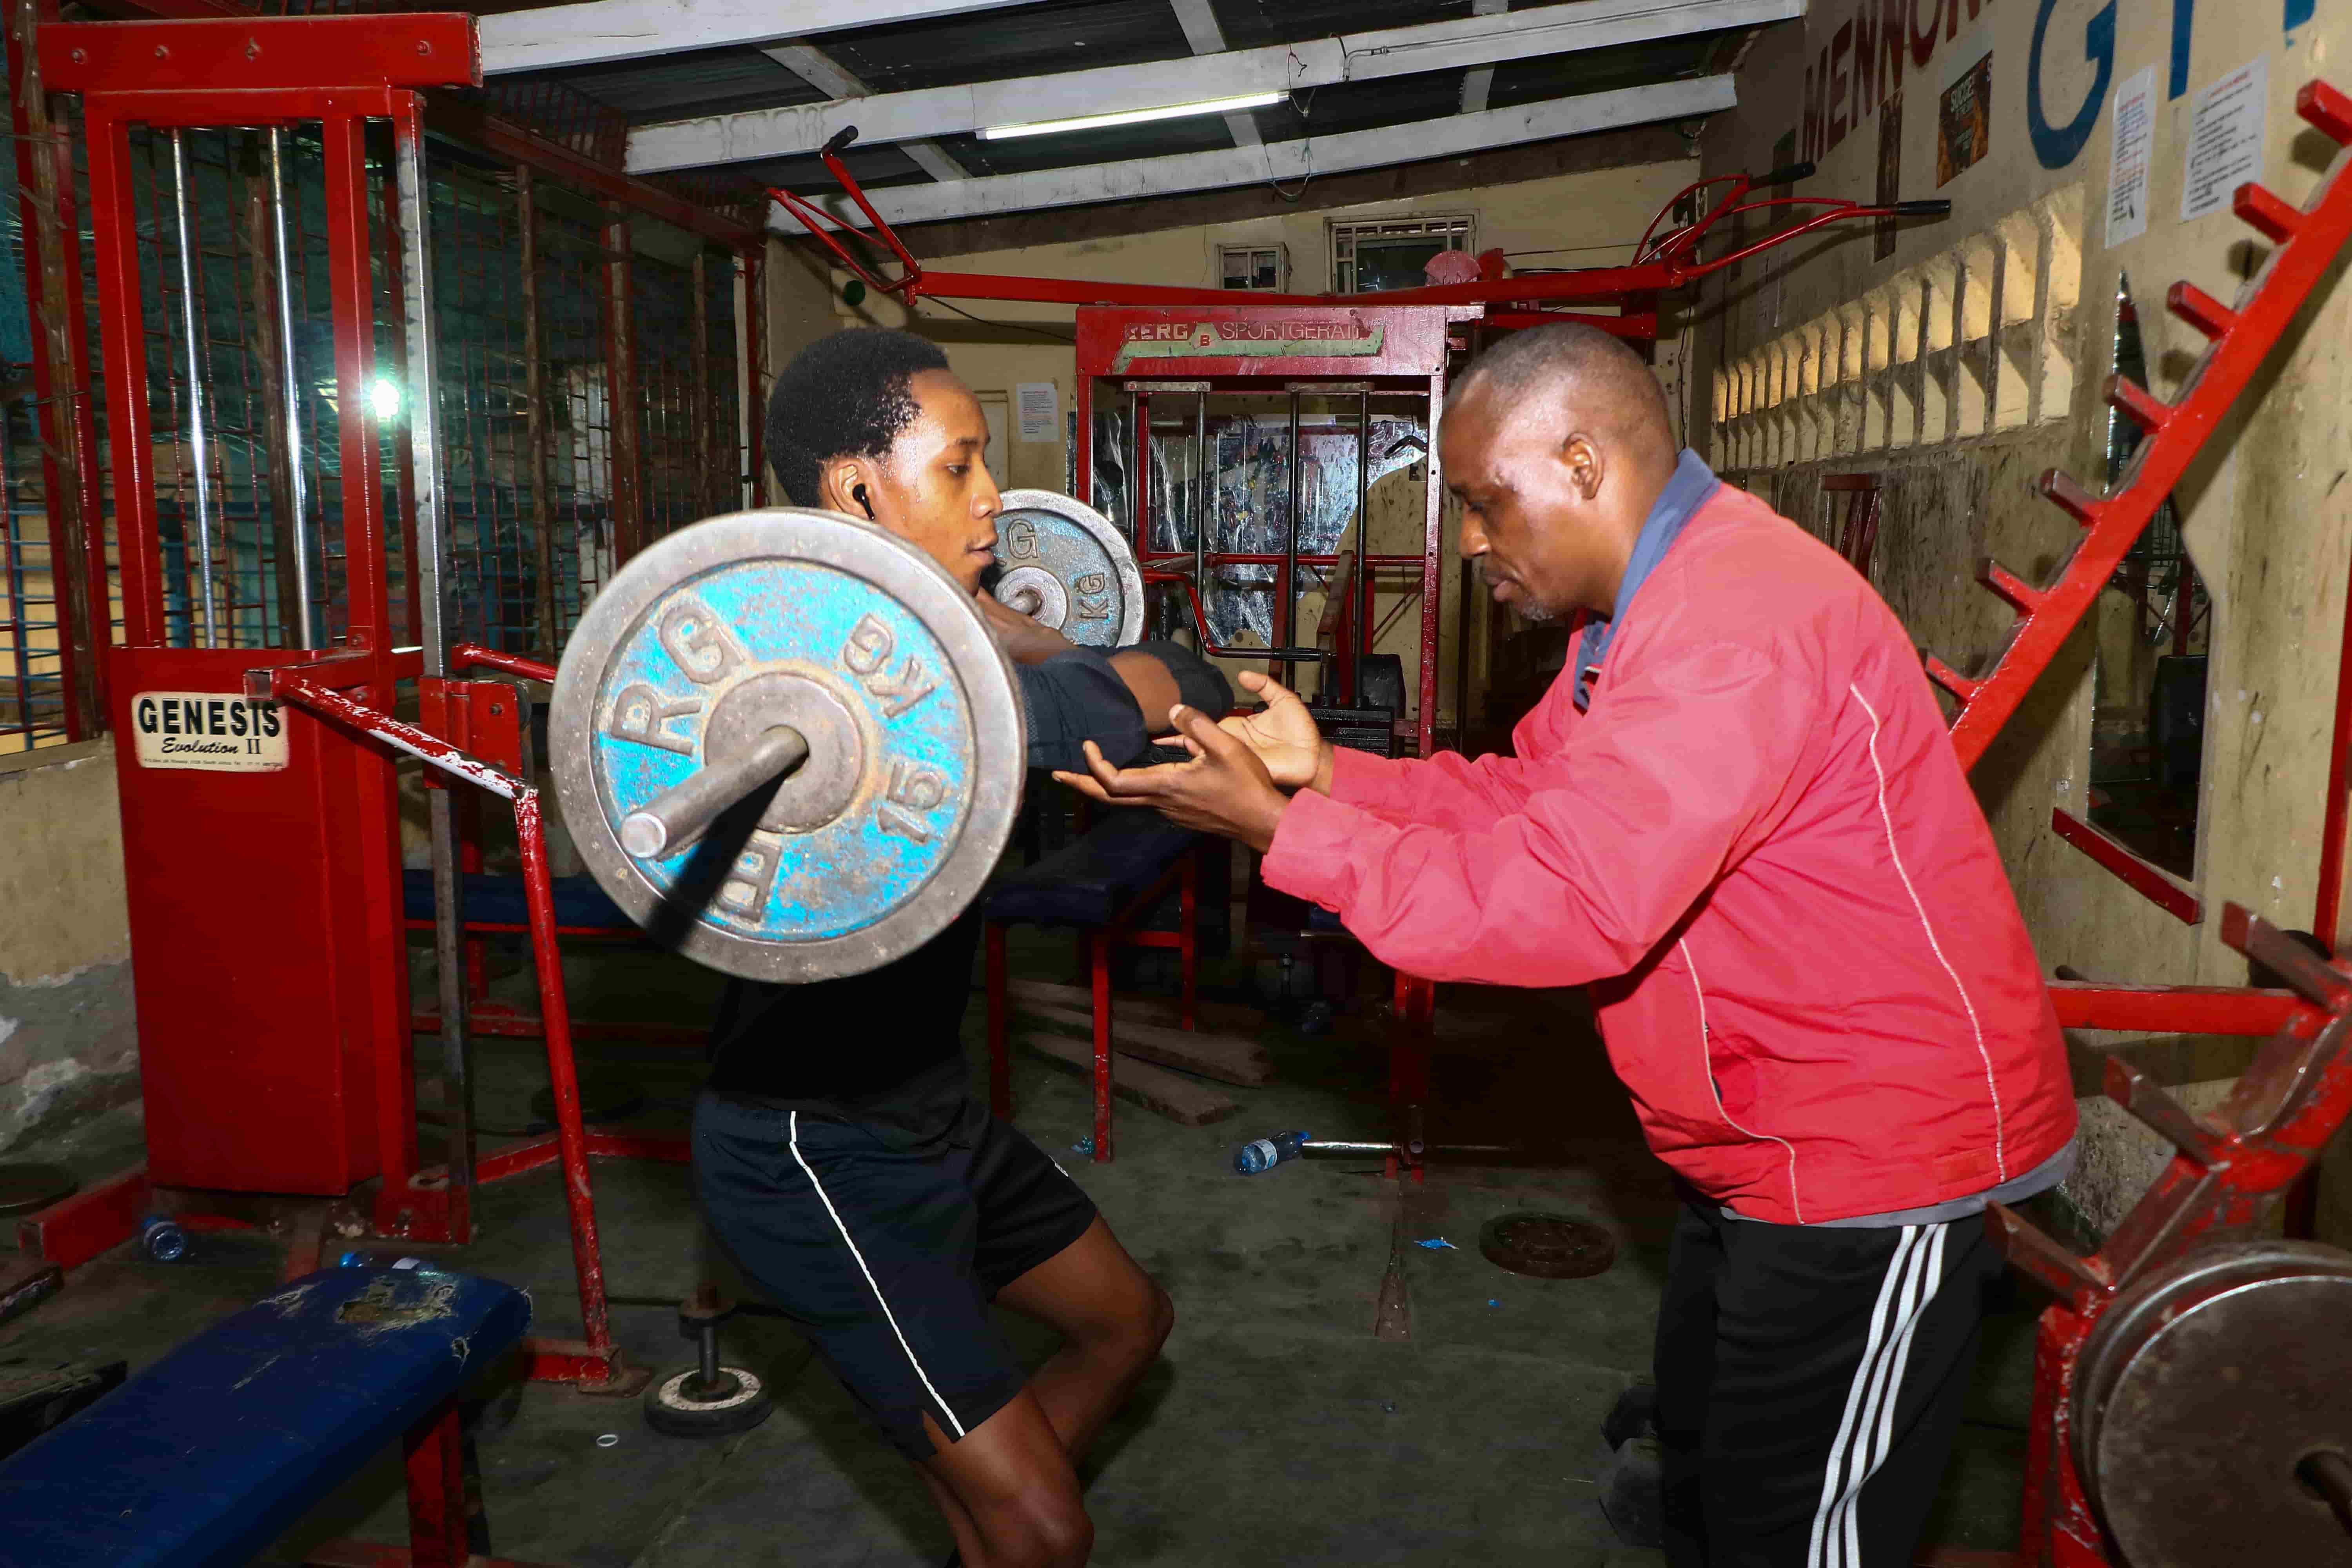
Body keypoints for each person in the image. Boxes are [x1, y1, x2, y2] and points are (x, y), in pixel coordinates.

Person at [1056, 322, 2078, 1568]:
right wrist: (1329, 775)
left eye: (1489, 503)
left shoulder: (1731, 623)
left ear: (1585, 463)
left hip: (1872, 1157)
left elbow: (1569, 900)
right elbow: (1522, 802)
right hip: (1759, 1136)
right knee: (1708, 1473)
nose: (1473, 540)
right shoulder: (1635, 619)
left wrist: (1280, 830)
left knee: (1806, 1540)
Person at [695, 327, 1228, 1568]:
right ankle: (1010, 1520)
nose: (995, 497)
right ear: (857, 488)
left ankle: (993, 1522)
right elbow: (1126, 696)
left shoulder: (931, 634)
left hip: (933, 1113)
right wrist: (1113, 666)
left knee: (1128, 1323)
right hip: (809, 1145)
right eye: (961, 466)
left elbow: (1116, 676)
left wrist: (996, 620)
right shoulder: (826, 673)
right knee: (1043, 1527)